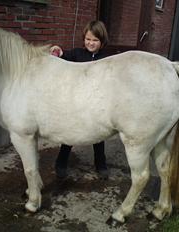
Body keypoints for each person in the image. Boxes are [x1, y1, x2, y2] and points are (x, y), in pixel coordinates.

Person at [50, 20, 109, 180]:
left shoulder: (107, 59)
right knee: (70, 133)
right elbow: (62, 55)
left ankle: (101, 164)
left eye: (95, 40)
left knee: (98, 136)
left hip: (97, 103)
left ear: (102, 41)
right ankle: (61, 162)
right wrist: (57, 50)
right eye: (88, 39)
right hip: (76, 103)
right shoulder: (76, 54)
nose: (91, 43)